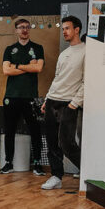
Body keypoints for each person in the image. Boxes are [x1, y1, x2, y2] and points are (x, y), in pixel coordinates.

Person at [40, 16, 85, 190]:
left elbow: (86, 81)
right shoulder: (63, 54)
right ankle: (56, 176)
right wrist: (46, 100)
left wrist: (75, 103)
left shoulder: (86, 51)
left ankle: (88, 172)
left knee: (67, 144)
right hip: (53, 101)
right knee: (52, 143)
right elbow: (57, 79)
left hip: (69, 103)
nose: (64, 31)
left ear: (77, 29)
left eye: (67, 28)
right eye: (63, 28)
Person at [0, 18, 45, 175]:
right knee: (9, 130)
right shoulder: (9, 49)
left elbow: (38, 68)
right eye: (21, 27)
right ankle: (8, 163)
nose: (24, 30)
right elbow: (6, 71)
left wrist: (17, 66)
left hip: (31, 96)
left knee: (35, 130)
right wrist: (28, 67)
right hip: (11, 96)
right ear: (16, 30)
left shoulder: (37, 48)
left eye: (27, 27)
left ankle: (38, 163)